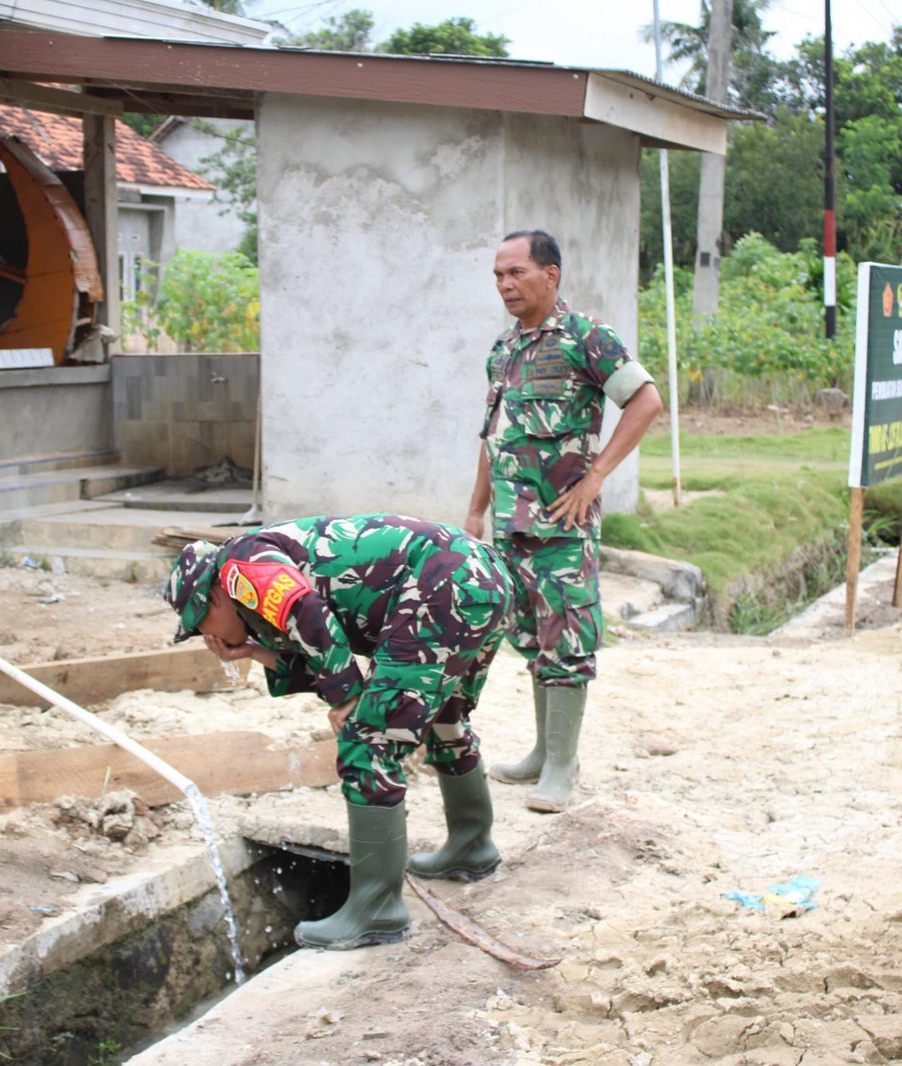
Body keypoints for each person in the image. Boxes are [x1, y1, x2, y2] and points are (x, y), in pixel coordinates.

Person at [163, 513, 514, 951]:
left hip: (442, 585)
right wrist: (253, 651)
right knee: (445, 716)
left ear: (214, 597)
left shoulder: (239, 568)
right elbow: (315, 640)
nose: (205, 638)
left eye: (200, 626)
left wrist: (347, 698)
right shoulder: (256, 567)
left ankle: (376, 910)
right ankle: (471, 845)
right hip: (479, 577)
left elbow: (311, 615)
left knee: (366, 742)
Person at [466, 229, 664, 813]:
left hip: (562, 523)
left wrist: (597, 475)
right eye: (499, 275)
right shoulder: (504, 350)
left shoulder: (587, 338)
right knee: (530, 638)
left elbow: (646, 400)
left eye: (517, 273)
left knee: (567, 640)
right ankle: (540, 752)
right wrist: (477, 509)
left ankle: (562, 763)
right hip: (511, 525)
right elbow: (493, 437)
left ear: (550, 275)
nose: (506, 284)